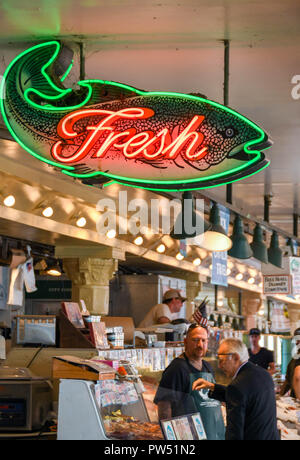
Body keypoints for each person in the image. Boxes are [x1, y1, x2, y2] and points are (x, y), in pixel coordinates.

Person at [192, 338, 279, 440]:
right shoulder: (263, 373)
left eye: (221, 361)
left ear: (236, 358)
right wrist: (213, 387)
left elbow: (234, 433)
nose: (219, 366)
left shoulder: (237, 386)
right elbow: (244, 397)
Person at [154, 324, 225, 440]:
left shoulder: (208, 367)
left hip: (213, 434)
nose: (200, 345)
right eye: (195, 340)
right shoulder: (176, 368)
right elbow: (164, 407)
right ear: (186, 342)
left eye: (203, 340)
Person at [280, 327, 300, 399]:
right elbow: (288, 381)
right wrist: (280, 397)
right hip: (295, 401)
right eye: (296, 340)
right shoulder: (294, 360)